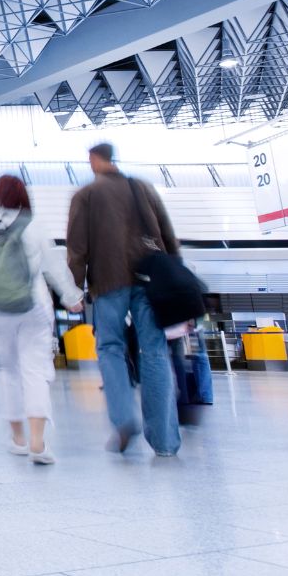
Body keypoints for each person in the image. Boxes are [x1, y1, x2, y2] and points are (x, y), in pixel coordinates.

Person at [67, 142, 182, 457]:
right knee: (155, 351)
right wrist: (177, 278)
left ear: (94, 159)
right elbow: (168, 235)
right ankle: (165, 441)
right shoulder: (141, 188)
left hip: (108, 282)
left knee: (110, 348)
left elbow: (77, 248)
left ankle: (123, 418)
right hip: (150, 281)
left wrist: (74, 288)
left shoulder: (86, 196)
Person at [0, 175, 83, 464]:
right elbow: (55, 266)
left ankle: (17, 439)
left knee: (8, 373)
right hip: (34, 307)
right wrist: (71, 297)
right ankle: (38, 443)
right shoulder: (33, 224)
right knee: (35, 371)